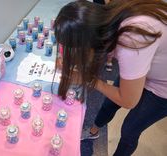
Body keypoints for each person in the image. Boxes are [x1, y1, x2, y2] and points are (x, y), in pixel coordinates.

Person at [54, 0, 167, 155]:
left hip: (163, 87)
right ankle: (93, 131)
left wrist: (88, 79)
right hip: (148, 65)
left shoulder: (131, 40)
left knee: (129, 129)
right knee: (110, 102)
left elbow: (128, 101)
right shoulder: (109, 17)